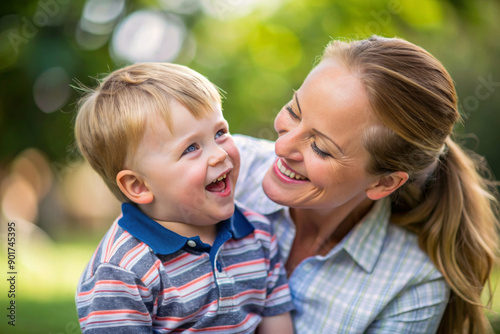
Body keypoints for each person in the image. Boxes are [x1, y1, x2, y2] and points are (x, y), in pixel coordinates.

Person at [234, 36, 499, 333]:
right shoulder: (221, 169)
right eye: (294, 112)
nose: (281, 146)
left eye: (321, 147)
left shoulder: (410, 287)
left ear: (385, 182)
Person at [74, 63, 294, 333]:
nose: (219, 154)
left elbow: (277, 325)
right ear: (138, 185)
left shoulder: (258, 234)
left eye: (220, 133)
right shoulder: (122, 270)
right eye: (191, 147)